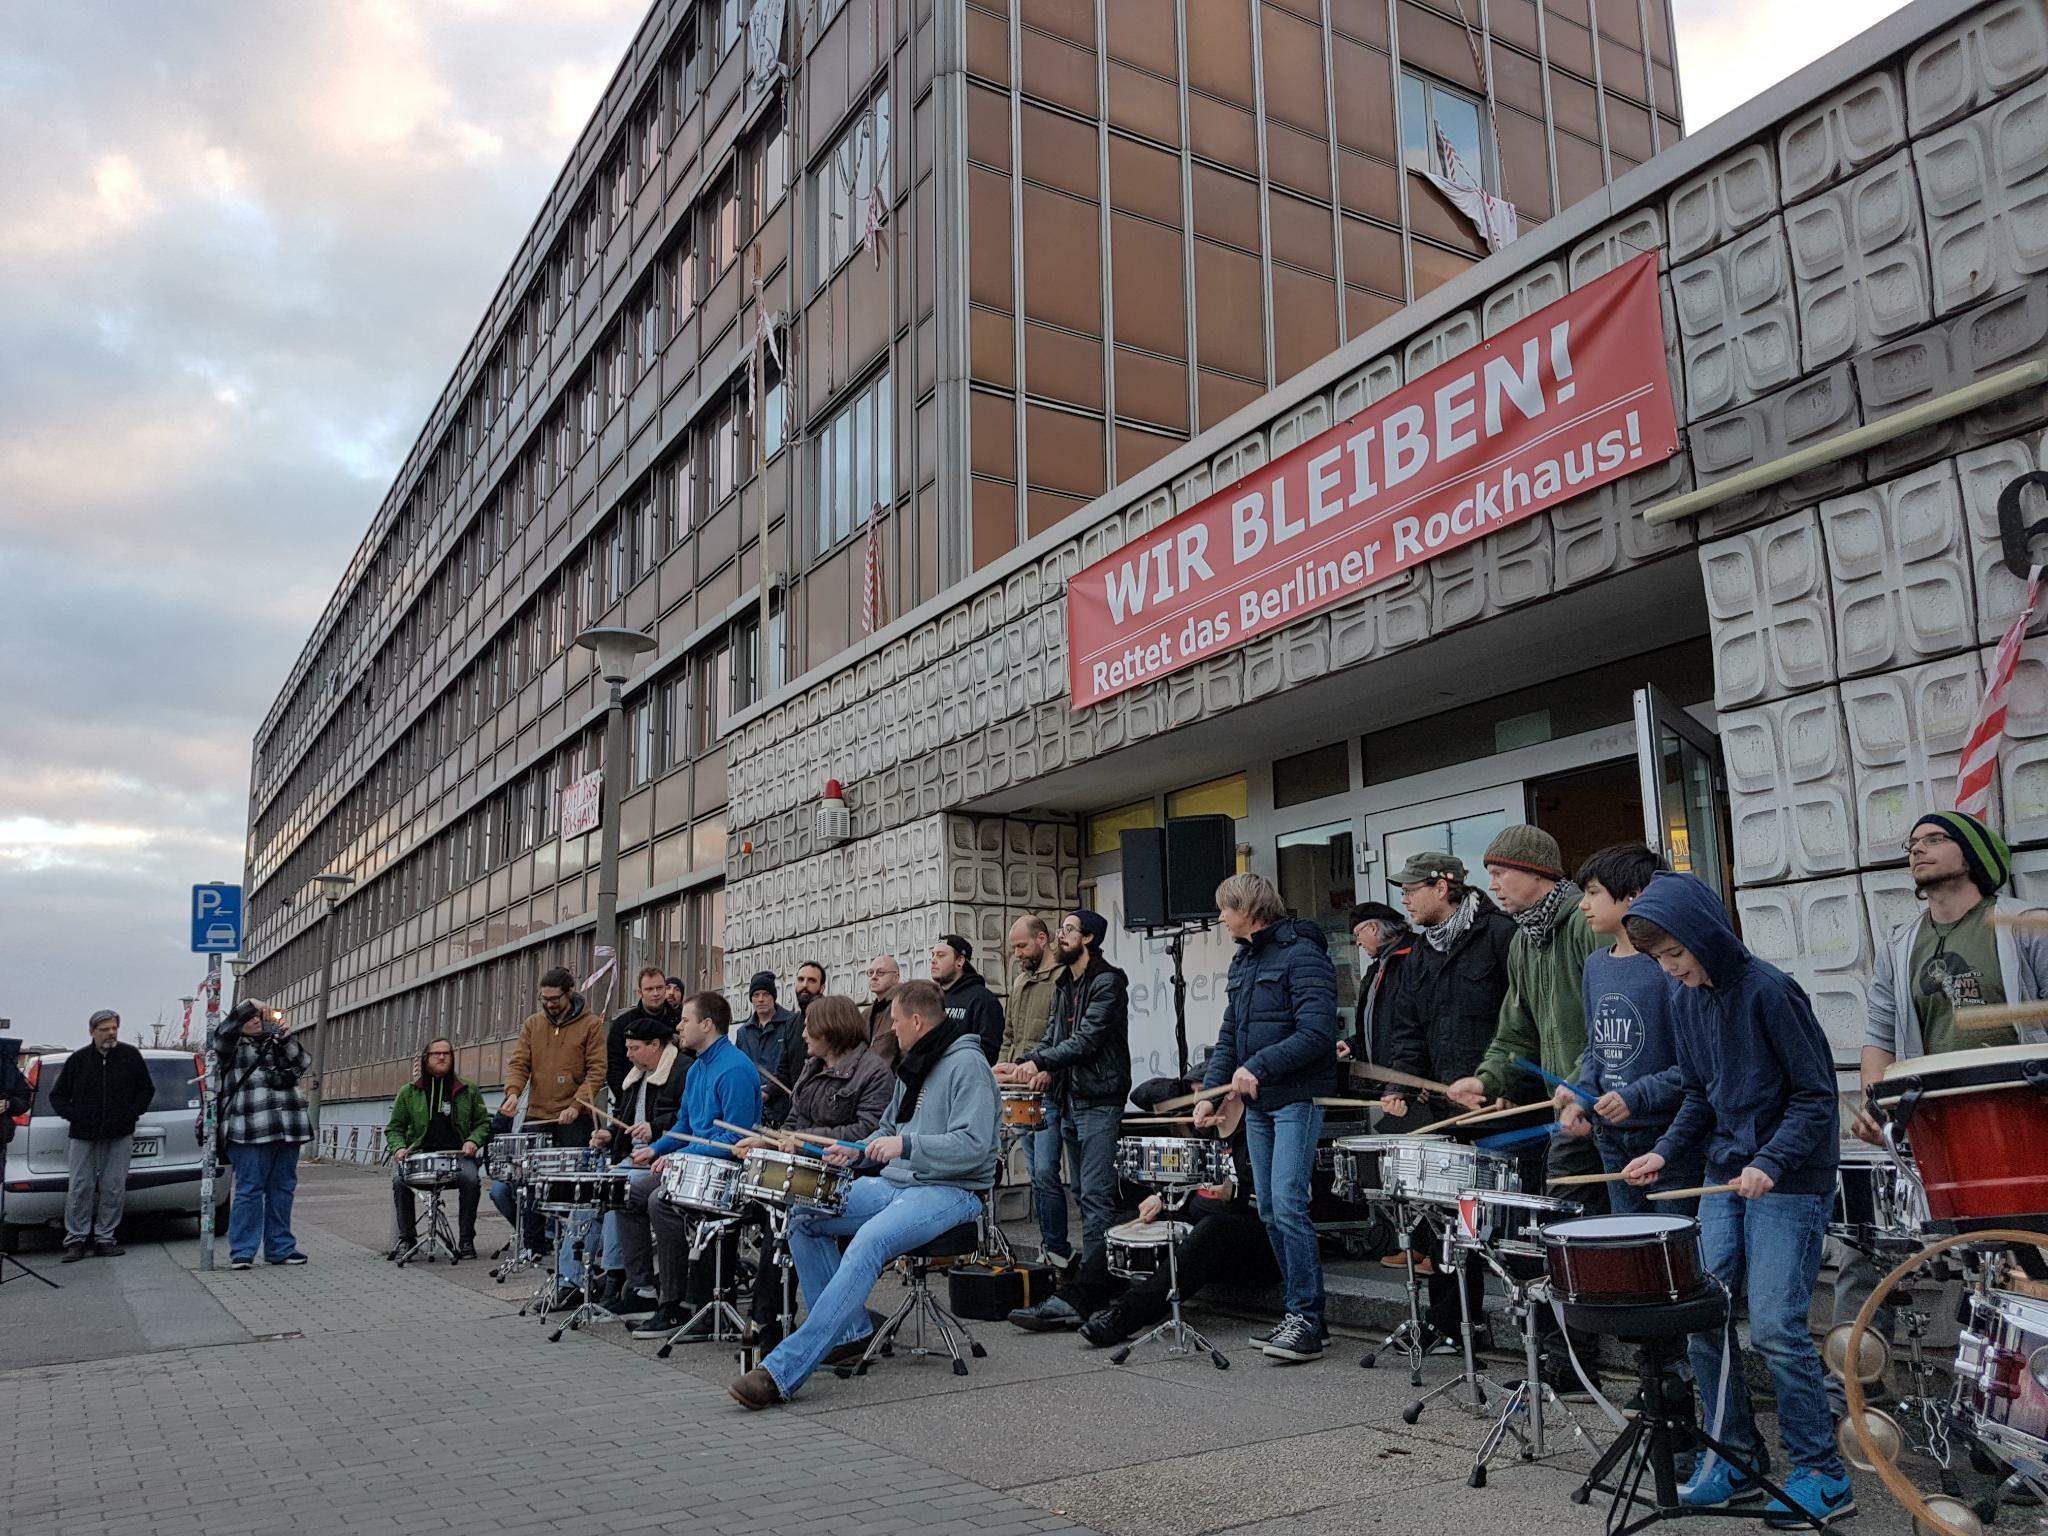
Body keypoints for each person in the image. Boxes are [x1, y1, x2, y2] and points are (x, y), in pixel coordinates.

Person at [1620, 872, 1850, 1529]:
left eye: (1675, 955)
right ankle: (1734, 1461)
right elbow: (1698, 1092)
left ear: (1704, 937)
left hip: (1790, 1179)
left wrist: (1771, 1162)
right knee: (1703, 1315)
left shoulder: (1772, 992)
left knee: (1777, 1327)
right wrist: (1663, 1151)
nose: (1671, 970)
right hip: (1726, 1174)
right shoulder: (1685, 998)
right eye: (1661, 960)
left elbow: (1815, 1094)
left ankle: (1822, 1473)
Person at [727, 979, 999, 1408]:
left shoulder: (968, 1065)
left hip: (951, 1191)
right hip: (898, 1182)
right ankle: (850, 1332)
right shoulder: (917, 1061)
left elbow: (974, 1145)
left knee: (869, 1242)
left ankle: (783, 1371)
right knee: (804, 1217)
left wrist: (906, 1146)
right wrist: (851, 1151)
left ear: (916, 1020)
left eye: (894, 1023)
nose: (890, 1032)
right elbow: (888, 1130)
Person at [1838, 810, 2048, 1345]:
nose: (1918, 849)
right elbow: (1879, 1034)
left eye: (1935, 839)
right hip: (1937, 1128)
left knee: (2029, 1263)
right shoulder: (1900, 944)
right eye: (1912, 843)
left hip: (2023, 1124)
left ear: (1973, 854)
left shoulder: (2025, 924)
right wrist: (1878, 1107)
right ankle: (1860, 1390)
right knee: (1869, 1250)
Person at [1195, 872, 1337, 1364]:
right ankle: (1296, 1312)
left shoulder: (1303, 956)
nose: (1219, 918)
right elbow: (1230, 1032)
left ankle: (1307, 1319)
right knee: (1270, 1210)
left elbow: (1318, 1032)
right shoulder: (1245, 960)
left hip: (1296, 1097)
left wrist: (1259, 1066)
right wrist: (1211, 1094)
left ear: (1249, 910)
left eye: (1224, 909)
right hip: (1258, 1106)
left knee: (1290, 1205)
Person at [1376, 851, 1515, 1341]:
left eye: (1413, 889)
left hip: (1501, 1107)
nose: (1405, 899)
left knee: (1507, 1224)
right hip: (1444, 1111)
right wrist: (1400, 1084)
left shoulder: (1500, 936)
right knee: (1445, 1224)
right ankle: (1454, 1323)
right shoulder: (1421, 952)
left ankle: (1534, 1330)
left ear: (1443, 886)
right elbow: (1409, 1030)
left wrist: (1502, 1086)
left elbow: (1519, 1023)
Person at [1447, 826, 1613, 1198]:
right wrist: (1487, 1080)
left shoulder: (1588, 927)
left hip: (1607, 1103)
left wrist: (1579, 1086)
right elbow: (1516, 1031)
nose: (1493, 886)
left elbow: (1612, 1024)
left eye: (1498, 873)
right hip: (1570, 1110)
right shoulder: (1523, 941)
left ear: (1537, 872)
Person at [732, 995, 896, 1348]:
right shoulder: (812, 1066)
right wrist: (769, 1143)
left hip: (853, 1173)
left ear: (831, 1030)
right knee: (771, 1211)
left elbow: (867, 1132)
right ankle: (778, 1319)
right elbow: (794, 1122)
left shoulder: (874, 1072)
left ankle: (785, 1321)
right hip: (810, 1168)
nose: (803, 1033)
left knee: (786, 1217)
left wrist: (805, 1142)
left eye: (809, 1027)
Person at [1005, 910, 1132, 1320]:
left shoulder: (1108, 982)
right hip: (1071, 1097)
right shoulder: (1065, 983)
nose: (1061, 935)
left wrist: (1039, 1060)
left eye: (1069, 929)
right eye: (1060, 928)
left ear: (1090, 938)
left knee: (1095, 1196)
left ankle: (1094, 1293)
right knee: (1080, 1191)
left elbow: (1087, 1039)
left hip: (1099, 1099)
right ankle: (1086, 1282)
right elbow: (1052, 1036)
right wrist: (1024, 1062)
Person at [1556, 845, 1695, 1217]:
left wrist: (1637, 1096)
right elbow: (1595, 1048)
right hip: (1611, 1136)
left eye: (1593, 893)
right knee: (1630, 1244)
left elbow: (1695, 1064)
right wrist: (1581, 1099)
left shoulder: (1670, 965)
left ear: (1633, 895)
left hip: (1667, 1132)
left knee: (1674, 1248)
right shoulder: (1595, 965)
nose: (1583, 904)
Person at [615, 991, 763, 1338]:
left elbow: (735, 1141)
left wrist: (679, 1157)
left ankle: (676, 1304)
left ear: (707, 1025)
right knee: (628, 1192)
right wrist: (656, 1149)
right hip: (693, 1166)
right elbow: (684, 1126)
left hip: (726, 1175)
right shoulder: (697, 1068)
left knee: (658, 1201)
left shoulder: (735, 1069)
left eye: (685, 1020)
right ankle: (643, 1290)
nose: (678, 1026)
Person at [1071, 1134, 1280, 1348]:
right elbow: (1188, 1185)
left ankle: (1125, 1315)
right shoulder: (1208, 1139)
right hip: (1202, 1225)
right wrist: (1161, 1198)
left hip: (1256, 1242)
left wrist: (1236, 1193)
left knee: (1212, 1228)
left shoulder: (1259, 1133)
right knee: (1133, 1221)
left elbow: (1283, 1201)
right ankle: (1075, 1298)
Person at [490, 967, 606, 1251]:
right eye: (544, 999)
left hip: (574, 1118)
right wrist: (513, 1093)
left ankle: (573, 1247)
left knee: (570, 1184)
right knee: (529, 1181)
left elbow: (596, 1071)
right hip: (538, 1115)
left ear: (569, 993)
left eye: (555, 998)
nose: (550, 1004)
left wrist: (576, 1106)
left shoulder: (591, 1024)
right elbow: (519, 1064)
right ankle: (534, 1245)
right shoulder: (533, 1024)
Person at [589, 1013, 691, 1316]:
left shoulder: (681, 1071)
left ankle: (620, 1278)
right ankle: (579, 1280)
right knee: (590, 1191)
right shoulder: (636, 1076)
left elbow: (687, 1122)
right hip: (632, 1157)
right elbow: (625, 1120)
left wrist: (655, 1129)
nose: (628, 1055)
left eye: (634, 1048)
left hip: (663, 1158)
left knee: (616, 1187)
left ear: (655, 1045)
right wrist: (609, 1133)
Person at [213, 999, 313, 1270]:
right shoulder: (230, 1046)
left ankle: (280, 1248)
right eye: (250, 1018)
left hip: (287, 1126)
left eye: (259, 1016)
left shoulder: (275, 1042)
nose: (256, 1021)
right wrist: (249, 1005)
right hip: (249, 1129)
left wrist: (285, 1038)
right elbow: (224, 1034)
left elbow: (303, 1062)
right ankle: (243, 1251)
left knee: (283, 1189)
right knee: (249, 1190)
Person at [49, 1009, 156, 1261]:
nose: (110, 1033)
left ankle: (105, 1237)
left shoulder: (130, 1056)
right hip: (84, 1135)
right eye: (104, 1029)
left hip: (119, 1134)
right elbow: (57, 1096)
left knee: (113, 1187)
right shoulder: (78, 1060)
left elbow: (146, 1090)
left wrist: (131, 1113)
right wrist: (76, 1116)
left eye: (114, 1028)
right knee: (80, 1187)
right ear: (92, 1032)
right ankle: (75, 1240)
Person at [385, 1037, 491, 1259]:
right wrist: (399, 1148)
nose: (442, 1057)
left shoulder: (468, 1089)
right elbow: (394, 1128)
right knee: (399, 1181)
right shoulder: (409, 1092)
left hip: (457, 1157)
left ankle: (466, 1241)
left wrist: (473, 1141)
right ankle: (407, 1239)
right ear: (426, 1058)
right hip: (420, 1156)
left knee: (471, 1179)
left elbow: (483, 1123)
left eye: (447, 1053)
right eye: (436, 1053)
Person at [1343, 901, 1412, 1066]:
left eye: (1357, 934)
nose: (1358, 943)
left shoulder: (1414, 959)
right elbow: (1381, 1024)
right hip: (1386, 1078)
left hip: (1407, 1077)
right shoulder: (1376, 968)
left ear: (1373, 928)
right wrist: (1353, 1044)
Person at [736, 972, 805, 1125]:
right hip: (755, 1106)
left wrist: (770, 1091)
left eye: (766, 994)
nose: (761, 999)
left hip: (786, 1105)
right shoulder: (743, 1033)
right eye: (756, 995)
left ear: (774, 996)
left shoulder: (791, 1023)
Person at [606, 966, 678, 1110]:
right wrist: (626, 1101)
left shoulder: (680, 1020)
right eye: (649, 989)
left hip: (672, 1101)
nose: (656, 993)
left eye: (660, 988)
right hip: (633, 1101)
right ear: (640, 992)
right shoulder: (623, 1024)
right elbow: (613, 1066)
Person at [931, 935, 1005, 1063]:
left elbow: (989, 1050)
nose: (933, 960)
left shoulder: (983, 1000)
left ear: (960, 961)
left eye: (941, 955)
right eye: (932, 955)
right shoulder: (933, 998)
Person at [999, 916, 1060, 1066]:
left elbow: (1065, 1038)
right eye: (1014, 947)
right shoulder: (1020, 981)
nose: (1017, 953)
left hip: (1046, 1076)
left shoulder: (1063, 978)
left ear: (1042, 939)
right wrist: (1001, 1067)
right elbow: (1008, 1036)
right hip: (1016, 1076)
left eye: (1022, 945)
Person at [865, 955, 903, 1065]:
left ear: (895, 977)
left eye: (880, 973)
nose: (874, 977)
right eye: (870, 972)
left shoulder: (903, 1006)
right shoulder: (866, 1013)